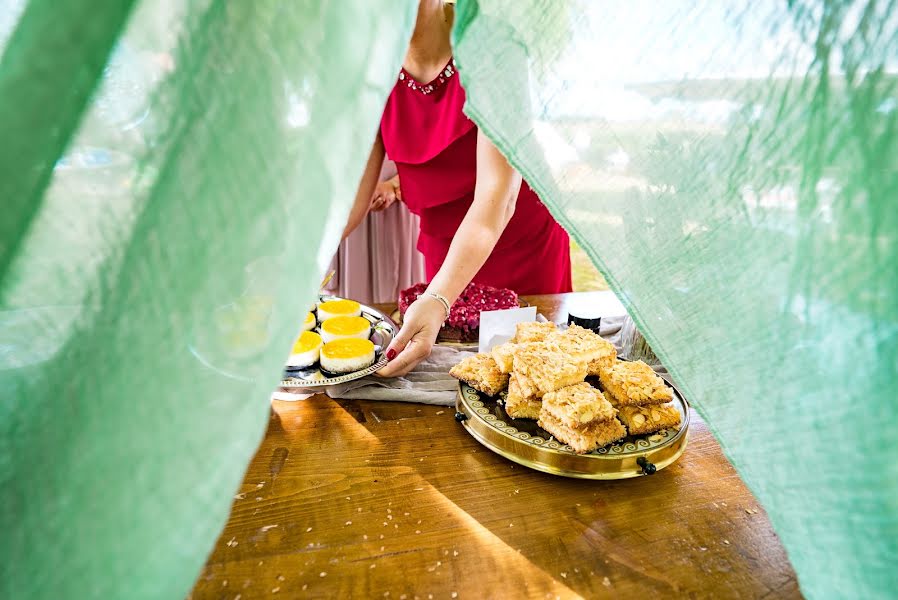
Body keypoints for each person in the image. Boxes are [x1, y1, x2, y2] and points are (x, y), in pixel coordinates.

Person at [343, 0, 572, 377]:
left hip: (520, 242)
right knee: (456, 371)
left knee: (534, 372)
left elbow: (495, 205)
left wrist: (437, 296)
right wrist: (299, 264)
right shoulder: (371, 66)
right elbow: (350, 193)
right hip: (446, 248)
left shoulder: (493, 49)